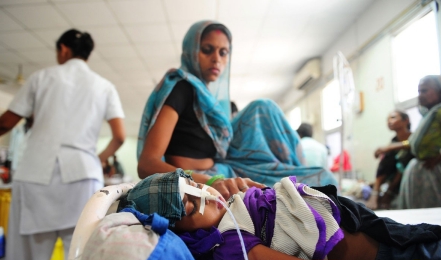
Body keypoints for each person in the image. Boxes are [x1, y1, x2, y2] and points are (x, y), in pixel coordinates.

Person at [0, 29, 126, 260]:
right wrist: (96, 158)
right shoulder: (104, 86)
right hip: (82, 179)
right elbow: (119, 135)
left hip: (37, 176)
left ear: (63, 50)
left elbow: (5, 123)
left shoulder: (42, 77)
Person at [118, 169, 441, 260]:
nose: (206, 197)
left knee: (425, 232)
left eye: (195, 186)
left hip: (357, 218)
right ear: (181, 233)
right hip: (382, 252)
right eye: (190, 207)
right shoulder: (230, 241)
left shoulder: (228, 201)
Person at [137, 20, 337, 200]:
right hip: (201, 180)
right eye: (207, 49)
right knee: (315, 184)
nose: (217, 59)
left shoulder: (207, 101)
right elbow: (147, 164)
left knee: (319, 180)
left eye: (223, 53)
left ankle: (293, 169)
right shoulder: (181, 87)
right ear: (190, 51)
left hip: (224, 170)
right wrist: (209, 181)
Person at [374, 75, 441, 209]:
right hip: (421, 170)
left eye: (425, 91)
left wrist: (440, 155)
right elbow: (414, 143)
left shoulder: (439, 113)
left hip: (433, 168)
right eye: (419, 91)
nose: (420, 95)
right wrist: (389, 148)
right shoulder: (429, 116)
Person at [366, 111, 413, 210]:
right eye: (387, 120)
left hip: (407, 174)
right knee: (388, 156)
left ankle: (388, 194)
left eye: (393, 118)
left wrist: (389, 148)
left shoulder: (414, 137)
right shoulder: (393, 141)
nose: (389, 121)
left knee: (404, 157)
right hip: (393, 175)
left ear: (406, 120)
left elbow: (413, 145)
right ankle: (376, 192)